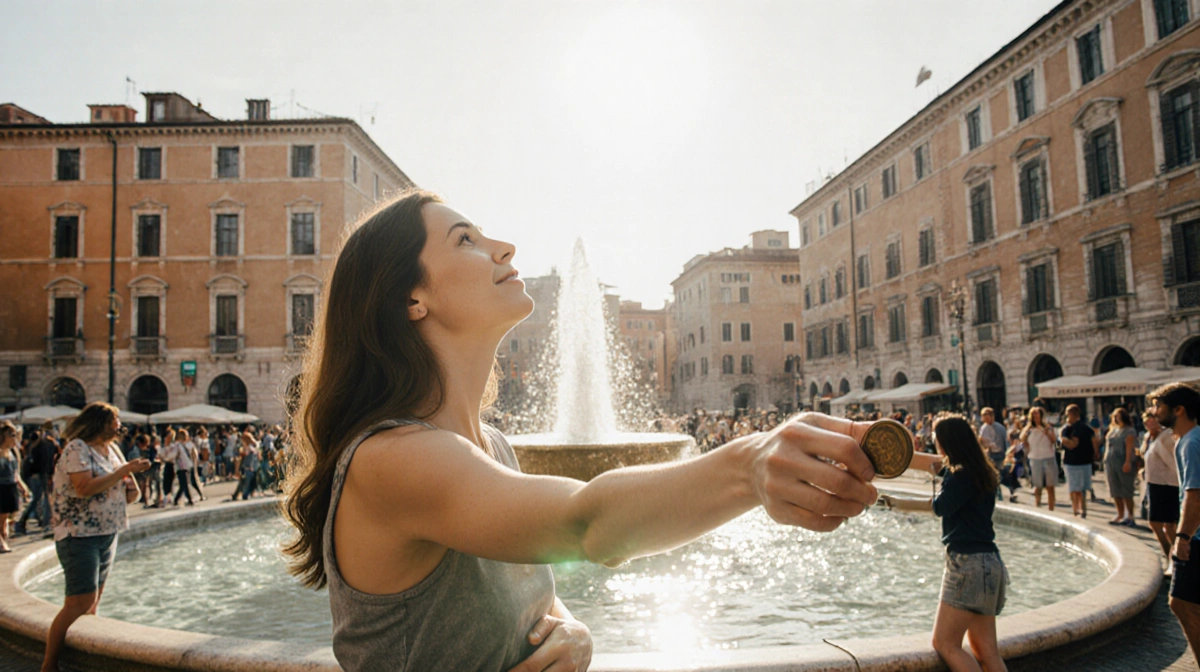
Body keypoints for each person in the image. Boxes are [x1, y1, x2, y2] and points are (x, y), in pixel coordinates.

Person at [281, 190, 880, 671]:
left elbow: (529, 597)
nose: (504, 246)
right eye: (465, 239)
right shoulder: (389, 458)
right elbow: (585, 522)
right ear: (412, 297)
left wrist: (571, 630)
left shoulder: (491, 447)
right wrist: (748, 464)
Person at [881, 415, 1009, 672]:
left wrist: (897, 502)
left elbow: (941, 506)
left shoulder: (960, 475)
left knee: (945, 643)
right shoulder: (981, 470)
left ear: (948, 442)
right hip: (989, 562)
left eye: (937, 440)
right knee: (988, 653)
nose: (934, 443)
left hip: (967, 564)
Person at [43, 402, 150, 672]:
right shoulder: (77, 448)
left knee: (92, 603)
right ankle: (49, 664)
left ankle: (83, 662)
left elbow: (129, 493)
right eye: (114, 421)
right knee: (78, 601)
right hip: (79, 533)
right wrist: (124, 471)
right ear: (99, 423)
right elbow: (84, 488)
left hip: (108, 531)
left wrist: (130, 481)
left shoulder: (112, 449)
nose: (119, 426)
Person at [1151, 382, 1200, 665]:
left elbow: (1194, 496)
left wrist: (1182, 537)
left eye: (1159, 406)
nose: (1155, 412)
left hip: (1196, 537)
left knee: (1180, 602)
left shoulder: (1191, 443)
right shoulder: (1187, 440)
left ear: (1178, 409)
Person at [1141, 410, 1178, 566]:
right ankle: (1170, 554)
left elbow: (1173, 462)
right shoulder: (1149, 437)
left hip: (1166, 484)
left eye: (1153, 421)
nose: (1150, 424)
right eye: (1147, 422)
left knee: (1167, 524)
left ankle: (1174, 556)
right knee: (1157, 522)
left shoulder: (1165, 437)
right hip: (1154, 483)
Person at [14, 429, 56, 537]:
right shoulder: (42, 447)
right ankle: (43, 523)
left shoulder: (35, 448)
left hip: (38, 475)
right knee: (41, 499)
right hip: (41, 475)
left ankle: (44, 522)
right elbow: (45, 462)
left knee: (40, 499)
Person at [1060, 405, 1099, 519]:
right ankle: (1083, 510)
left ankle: (1076, 510)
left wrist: (1062, 440)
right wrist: (1095, 454)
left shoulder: (1069, 429)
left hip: (1072, 461)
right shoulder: (1087, 428)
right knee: (1082, 489)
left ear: (1071, 414)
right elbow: (1095, 441)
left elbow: (1072, 445)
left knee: (1074, 488)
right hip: (1086, 461)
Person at [1104, 408, 1138, 527]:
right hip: (1111, 461)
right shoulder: (1113, 430)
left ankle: (1130, 516)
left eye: (1119, 416)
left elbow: (1129, 447)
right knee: (1115, 490)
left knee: (1126, 489)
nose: (1116, 418)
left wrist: (1128, 461)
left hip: (1123, 460)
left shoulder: (1129, 431)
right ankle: (1120, 514)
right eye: (1115, 416)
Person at [0, 421, 30, 553]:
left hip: (10, 487)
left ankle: (2, 540)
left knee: (5, 518)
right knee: (1, 519)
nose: (15, 438)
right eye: (11, 435)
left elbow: (15, 473)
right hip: (1, 487)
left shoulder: (12, 452)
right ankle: (2, 543)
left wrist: (22, 487)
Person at [1021, 407, 1058, 511]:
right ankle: (1038, 507)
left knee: (1050, 487)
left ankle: (1051, 509)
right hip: (1035, 458)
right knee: (1038, 486)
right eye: (1034, 415)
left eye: (1038, 414)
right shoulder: (1029, 429)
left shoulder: (1048, 427)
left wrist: (1047, 432)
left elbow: (1054, 440)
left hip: (1048, 457)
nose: (1036, 416)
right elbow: (1022, 439)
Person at [978, 408, 1007, 501]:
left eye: (989, 416)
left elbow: (1005, 441)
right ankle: (997, 492)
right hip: (990, 454)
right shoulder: (983, 429)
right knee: (993, 474)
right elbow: (981, 442)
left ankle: (1006, 489)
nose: (988, 419)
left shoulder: (1000, 428)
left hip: (1000, 453)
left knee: (1001, 473)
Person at [172, 428, 196, 506]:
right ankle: (189, 499)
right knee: (184, 484)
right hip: (180, 467)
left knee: (183, 485)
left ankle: (176, 499)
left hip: (186, 466)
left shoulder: (184, 445)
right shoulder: (177, 445)